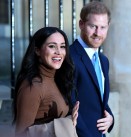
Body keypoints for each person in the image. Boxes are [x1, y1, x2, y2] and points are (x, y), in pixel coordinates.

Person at [13, 27, 79, 137]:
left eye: (62, 46)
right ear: (37, 50)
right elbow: (21, 134)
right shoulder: (33, 86)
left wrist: (69, 121)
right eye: (52, 46)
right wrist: (64, 124)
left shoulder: (58, 79)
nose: (58, 52)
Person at [70, 1, 114, 137]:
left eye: (102, 27)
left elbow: (99, 99)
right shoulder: (69, 57)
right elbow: (69, 104)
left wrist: (110, 118)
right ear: (81, 24)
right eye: (92, 26)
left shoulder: (103, 60)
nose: (97, 33)